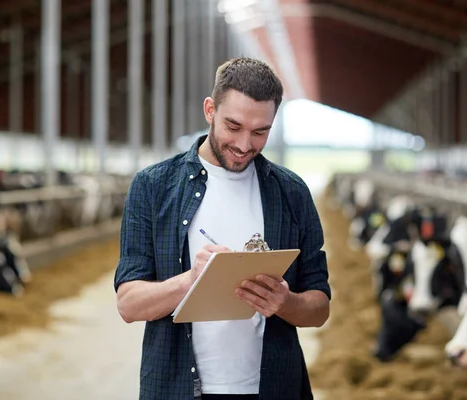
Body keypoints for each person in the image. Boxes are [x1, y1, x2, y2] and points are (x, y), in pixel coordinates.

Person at [114, 57, 331, 400]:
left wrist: (285, 302)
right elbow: (128, 305)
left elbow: (320, 307)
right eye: (234, 126)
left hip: (272, 386)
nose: (245, 145)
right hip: (177, 388)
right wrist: (190, 281)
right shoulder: (153, 186)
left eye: (260, 132)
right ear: (210, 109)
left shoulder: (291, 192)